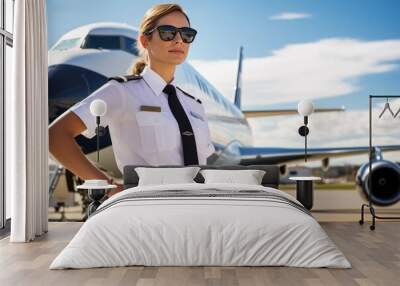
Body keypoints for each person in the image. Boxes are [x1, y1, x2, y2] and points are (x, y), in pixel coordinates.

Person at [49, 3, 215, 197]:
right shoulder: (122, 91)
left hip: (198, 209)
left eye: (186, 34)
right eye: (168, 32)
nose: (179, 40)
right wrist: (108, 187)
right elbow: (55, 136)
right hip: (148, 213)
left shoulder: (193, 105)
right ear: (145, 41)